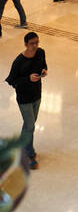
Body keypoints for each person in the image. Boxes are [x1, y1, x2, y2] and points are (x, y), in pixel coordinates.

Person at [5, 32, 47, 169]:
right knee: (29, 125)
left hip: (37, 95)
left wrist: (44, 71)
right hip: (24, 98)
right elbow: (12, 80)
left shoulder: (41, 52)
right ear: (25, 44)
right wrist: (27, 79)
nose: (35, 46)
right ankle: (27, 154)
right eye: (32, 43)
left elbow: (44, 65)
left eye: (37, 42)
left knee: (30, 125)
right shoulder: (19, 61)